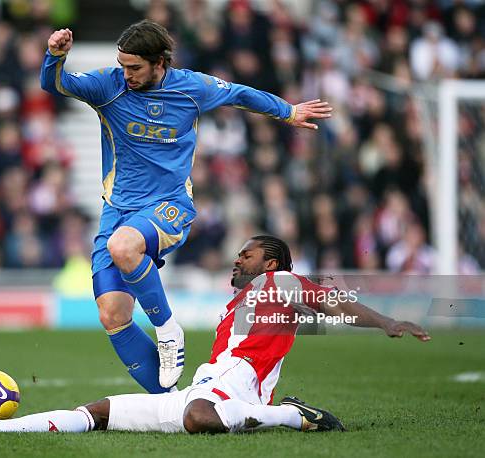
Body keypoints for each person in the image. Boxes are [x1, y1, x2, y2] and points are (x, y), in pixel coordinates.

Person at [39, 19, 333, 393]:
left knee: (123, 246)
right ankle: (171, 401)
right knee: (112, 313)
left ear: (159, 63)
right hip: (117, 209)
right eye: (122, 65)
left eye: (134, 68)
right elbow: (54, 84)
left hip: (169, 205)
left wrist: (288, 112)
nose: (125, 74)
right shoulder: (108, 86)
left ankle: (168, 331)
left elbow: (240, 93)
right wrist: (55, 55)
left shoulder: (192, 88)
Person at [0, 235, 430, 435]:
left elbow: (333, 301)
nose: (238, 259)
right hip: (206, 382)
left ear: (272, 262)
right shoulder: (240, 302)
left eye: (249, 253)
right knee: (100, 412)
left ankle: (290, 414)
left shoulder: (280, 284)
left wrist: (386, 322)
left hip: (241, 387)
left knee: (200, 417)